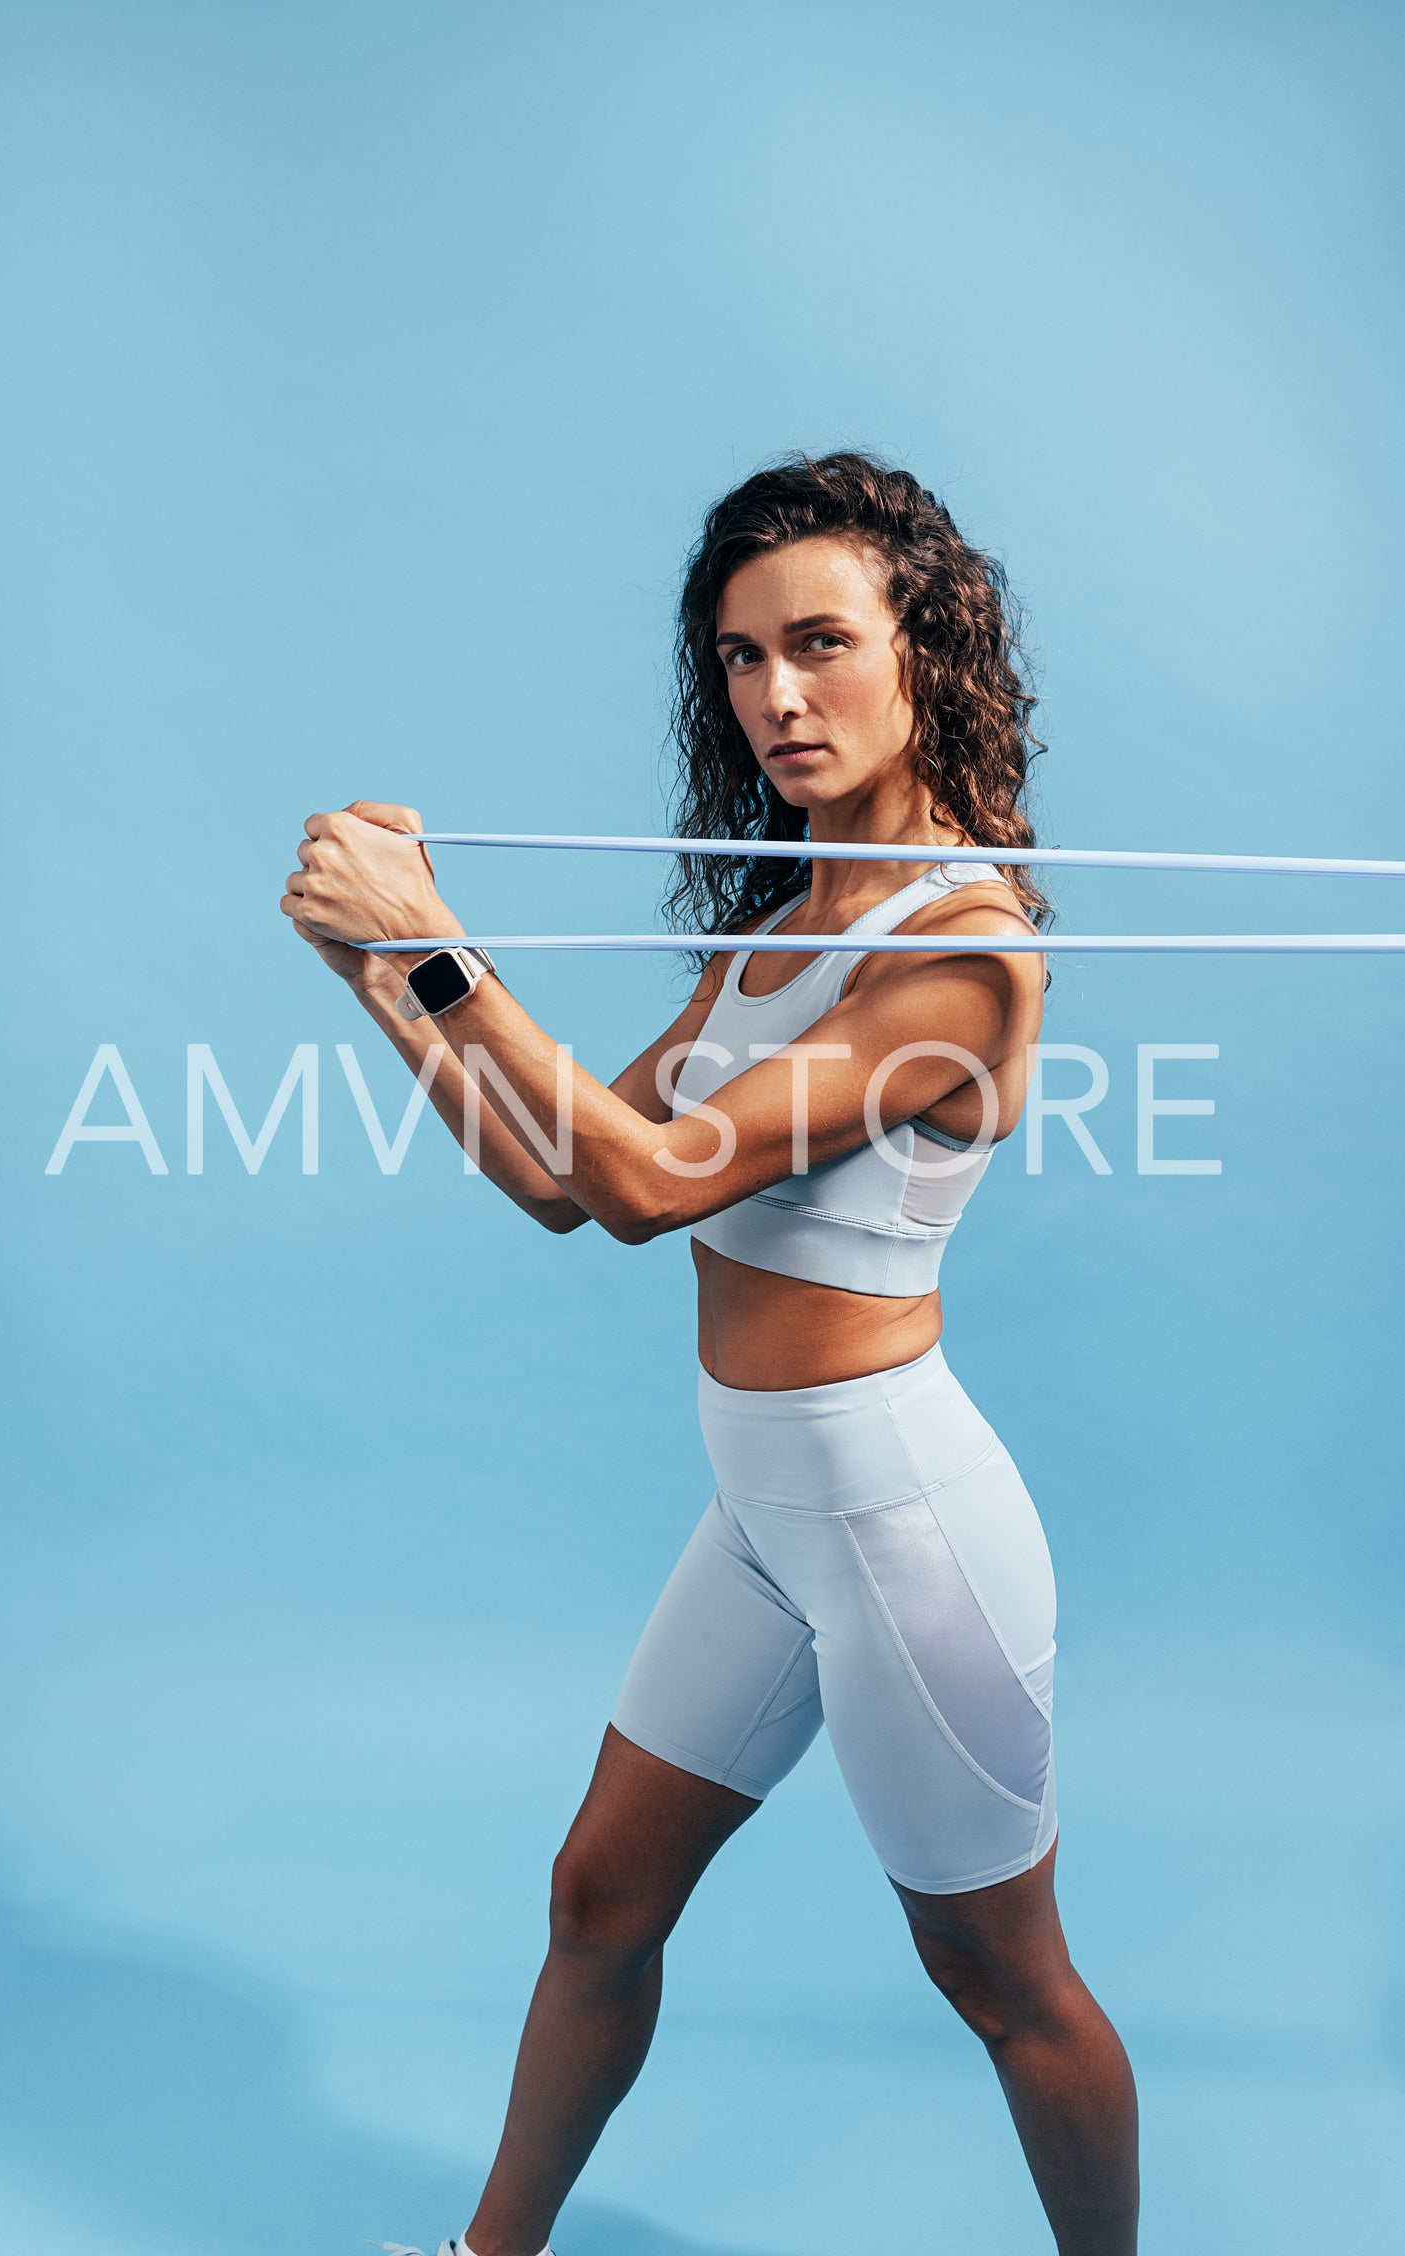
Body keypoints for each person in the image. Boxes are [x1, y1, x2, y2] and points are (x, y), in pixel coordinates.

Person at [280, 452, 1140, 2255]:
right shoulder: (774, 938)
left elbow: (662, 1177)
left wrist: (439, 948)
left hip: (900, 1518)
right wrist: (380, 982)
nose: (775, 695)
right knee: (599, 1898)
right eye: (740, 658)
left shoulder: (969, 959)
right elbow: (561, 1183)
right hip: (762, 1515)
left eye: (819, 643)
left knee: (1002, 1980)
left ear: (926, 652)